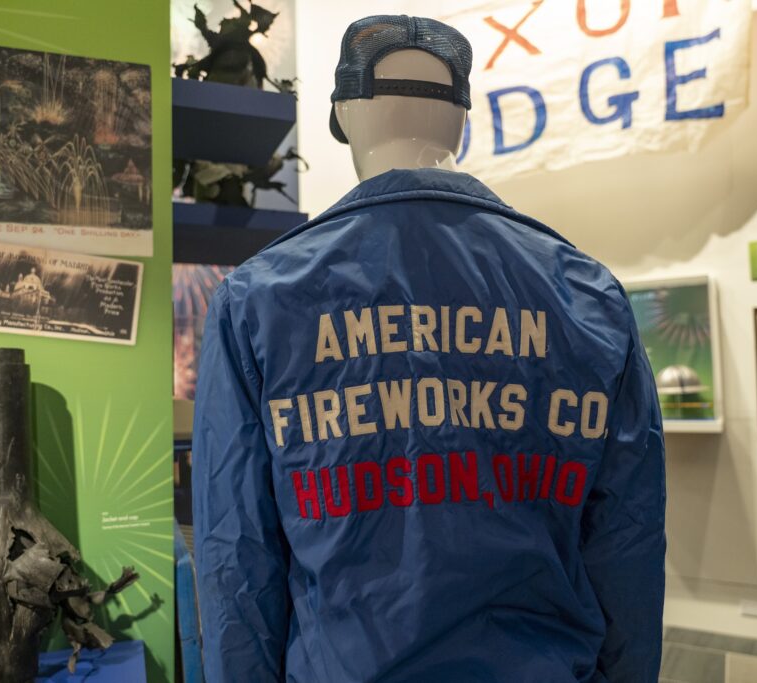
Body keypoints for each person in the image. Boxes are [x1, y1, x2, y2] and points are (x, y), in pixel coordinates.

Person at [193, 15, 666, 683]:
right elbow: (630, 550)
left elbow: (237, 564)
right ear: (460, 120)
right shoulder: (589, 297)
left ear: (347, 113)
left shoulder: (257, 302)